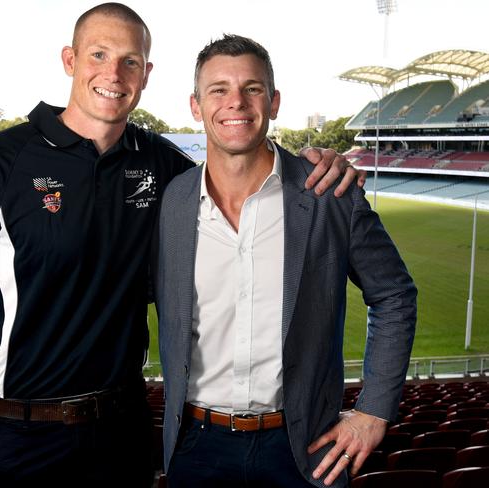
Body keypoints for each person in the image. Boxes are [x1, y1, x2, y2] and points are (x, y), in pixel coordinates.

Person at [0, 4, 360, 486]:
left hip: (123, 429)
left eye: (131, 61)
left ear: (146, 73)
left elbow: (240, 162)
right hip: (22, 433)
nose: (113, 74)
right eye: (99, 54)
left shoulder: (163, 167)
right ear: (70, 60)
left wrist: (318, 161)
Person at [156, 34, 417, 487]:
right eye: (218, 89)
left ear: (273, 102)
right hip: (195, 448)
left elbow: (394, 295)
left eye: (252, 88)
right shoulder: (172, 201)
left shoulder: (329, 196)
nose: (235, 102)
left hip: (303, 449)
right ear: (196, 106)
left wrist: (373, 410)